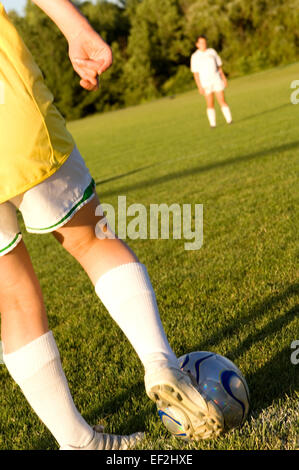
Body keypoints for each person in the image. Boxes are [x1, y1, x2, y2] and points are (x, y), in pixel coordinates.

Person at [0, 0, 223, 450]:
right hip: (8, 111)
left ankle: (77, 441)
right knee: (91, 239)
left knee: (11, 296)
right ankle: (161, 363)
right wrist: (74, 25)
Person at [191, 35, 233, 128]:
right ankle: (212, 124)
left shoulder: (212, 52)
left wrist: (224, 78)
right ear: (197, 44)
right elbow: (196, 73)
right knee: (210, 103)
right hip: (205, 82)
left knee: (222, 100)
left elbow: (219, 67)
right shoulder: (195, 56)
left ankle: (229, 120)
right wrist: (199, 86)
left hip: (216, 79)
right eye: (201, 43)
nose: (203, 44)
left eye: (204, 42)